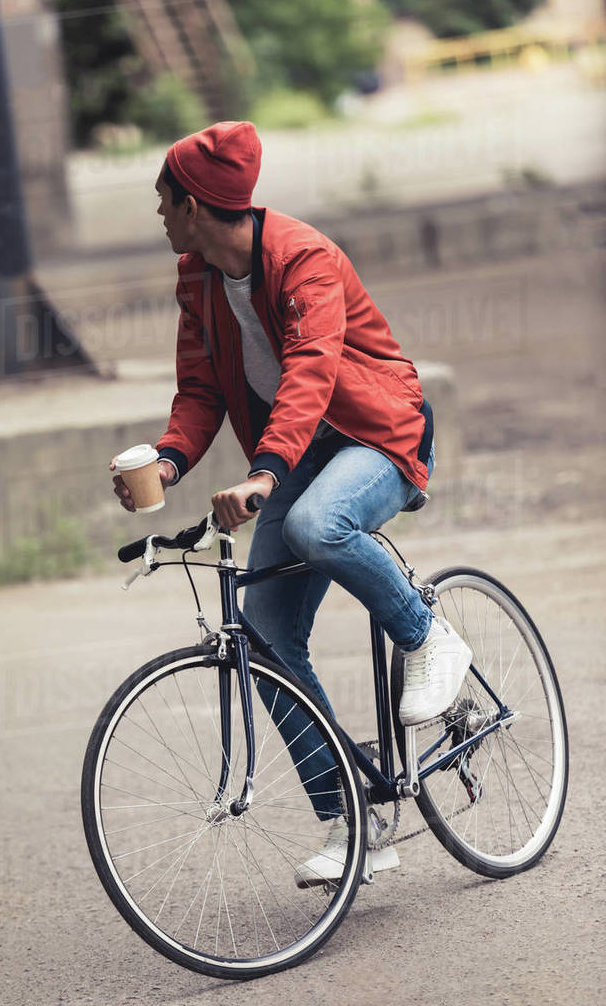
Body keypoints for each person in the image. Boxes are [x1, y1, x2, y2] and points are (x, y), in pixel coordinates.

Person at [111, 121, 471, 887]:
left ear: (196, 205)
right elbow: (201, 388)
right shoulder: (198, 276)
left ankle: (426, 633)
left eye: (163, 200)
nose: (159, 215)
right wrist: (170, 460)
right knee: (264, 631)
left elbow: (310, 371)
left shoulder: (303, 258)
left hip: (376, 436)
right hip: (295, 452)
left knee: (316, 524)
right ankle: (356, 819)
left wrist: (263, 474)